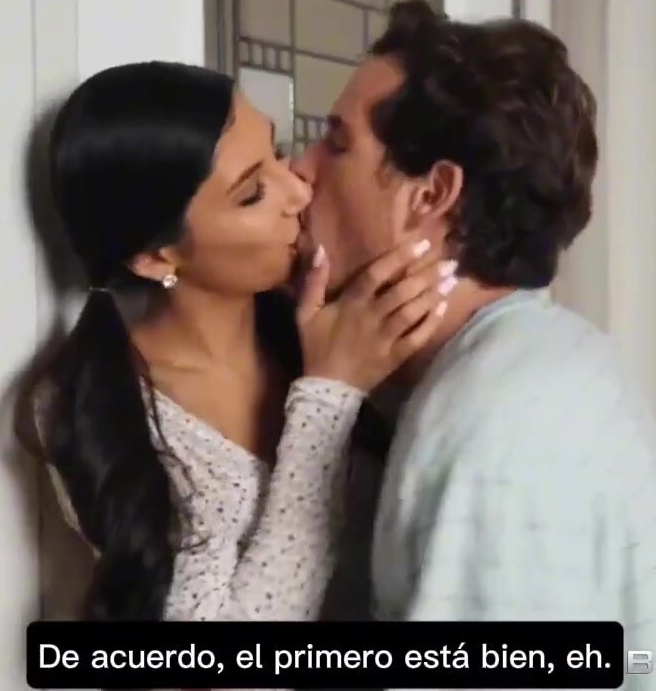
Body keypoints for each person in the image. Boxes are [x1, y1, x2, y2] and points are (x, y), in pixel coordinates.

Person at [292, 0, 656, 685]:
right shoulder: (543, 361)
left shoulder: (492, 422)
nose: (298, 170)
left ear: (431, 195)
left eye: (335, 144)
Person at [27, 61, 456, 622]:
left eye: (277, 153)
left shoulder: (324, 323)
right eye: (252, 193)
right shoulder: (106, 411)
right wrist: (328, 396)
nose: (298, 188)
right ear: (156, 257)